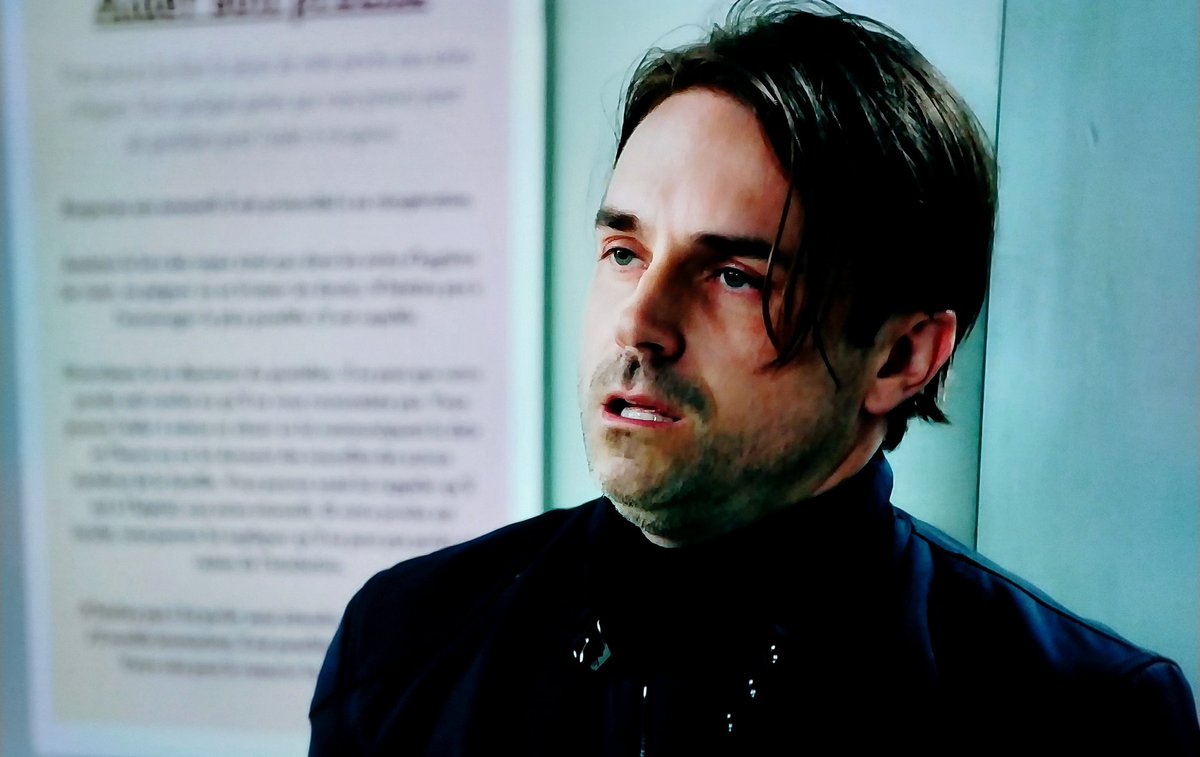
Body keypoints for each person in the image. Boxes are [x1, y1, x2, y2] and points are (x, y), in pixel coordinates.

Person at [308, 2, 1200, 753]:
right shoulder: (403, 645)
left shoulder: (1082, 720)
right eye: (624, 252)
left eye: (735, 276)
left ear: (902, 357)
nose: (640, 323)